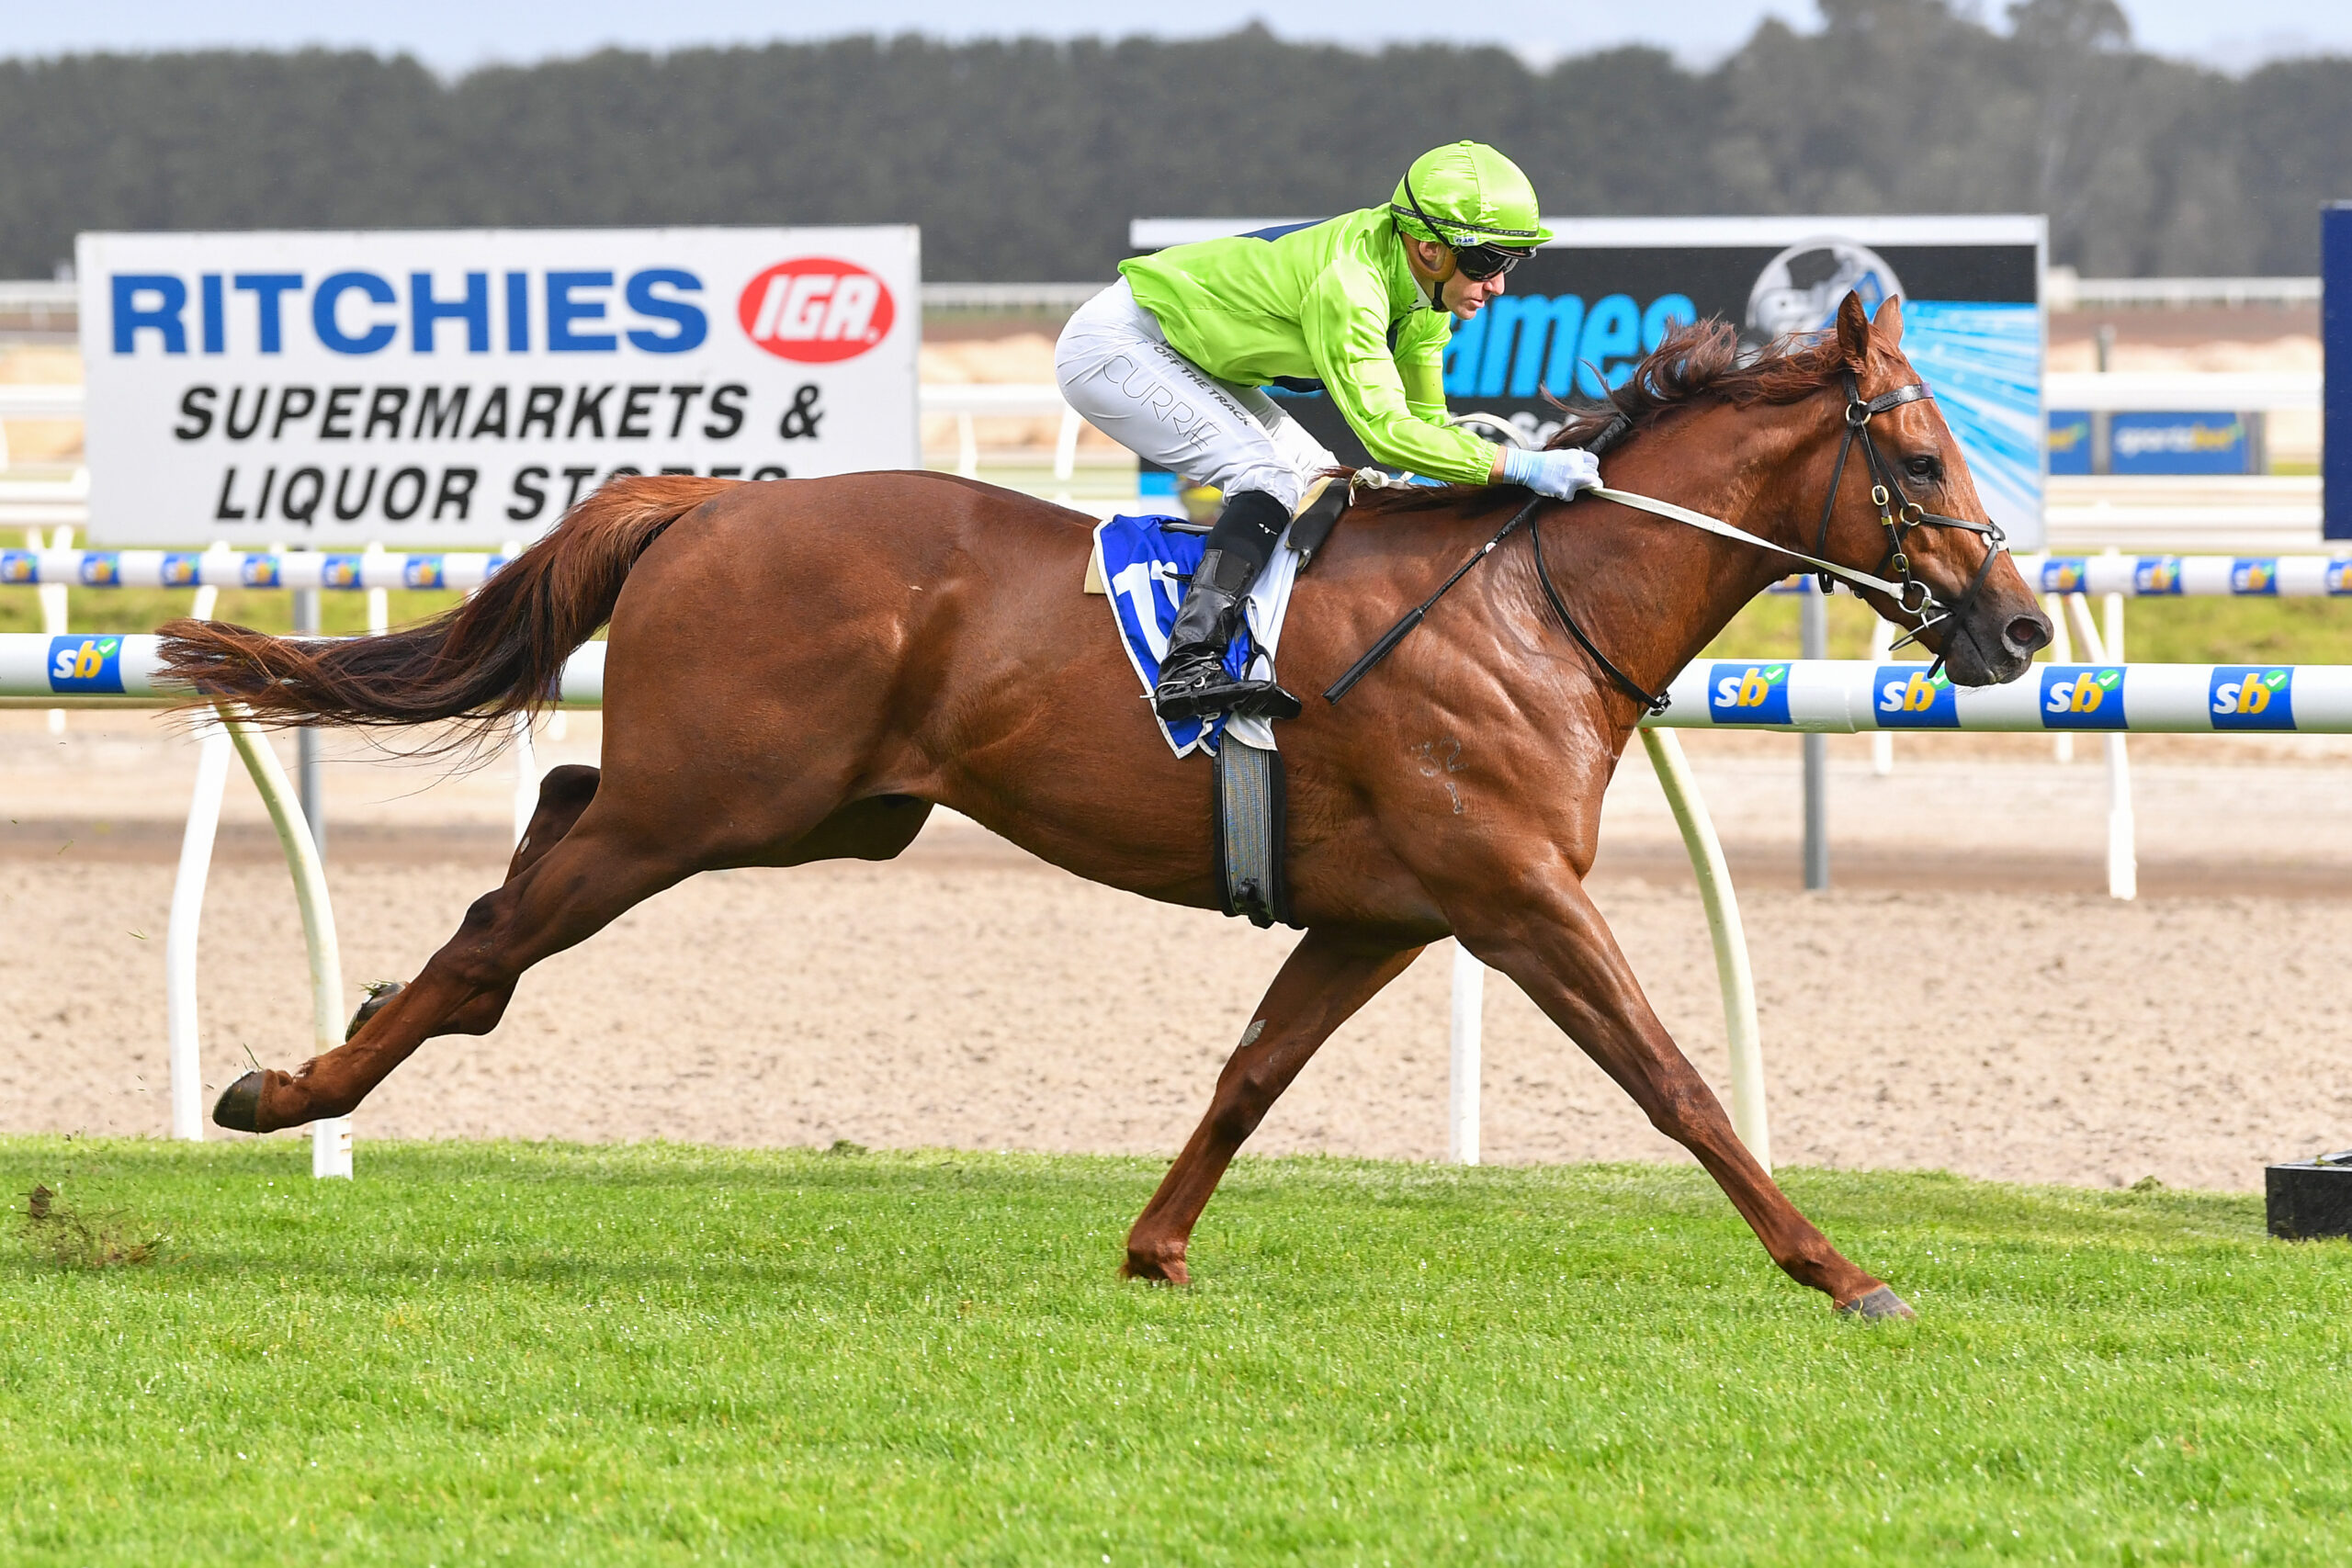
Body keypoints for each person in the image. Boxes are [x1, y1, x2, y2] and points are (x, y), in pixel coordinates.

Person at [1056, 140, 1603, 722]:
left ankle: (1276, 645)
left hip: (1186, 355)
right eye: (1487, 263)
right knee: (1266, 479)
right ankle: (1190, 664)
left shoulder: (1427, 302)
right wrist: (1522, 467)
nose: (1497, 285)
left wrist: (1496, 473)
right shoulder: (1352, 282)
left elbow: (1426, 428)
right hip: (1117, 344)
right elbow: (1388, 435)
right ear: (1430, 249)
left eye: (1509, 264)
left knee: (1326, 485)